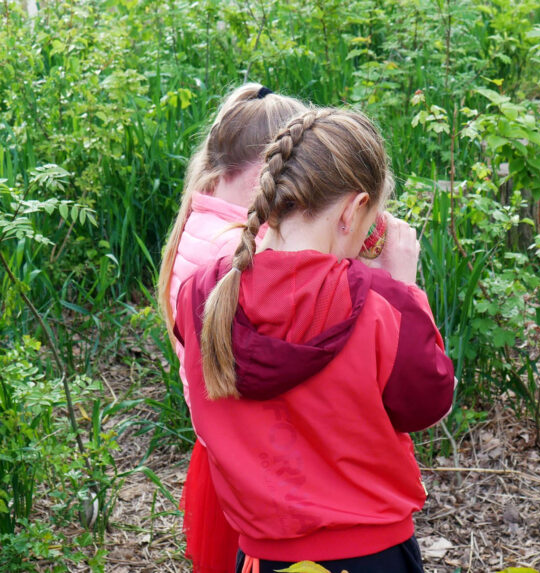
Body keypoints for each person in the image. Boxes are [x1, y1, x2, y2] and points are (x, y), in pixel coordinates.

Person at [173, 108, 456, 573]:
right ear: (351, 209)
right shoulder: (379, 302)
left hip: (261, 557)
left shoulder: (200, 296)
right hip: (371, 555)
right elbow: (427, 403)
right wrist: (407, 290)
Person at [157, 83, 307, 573]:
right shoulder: (234, 254)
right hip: (251, 472)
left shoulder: (202, 222)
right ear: (278, 166)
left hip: (219, 457)